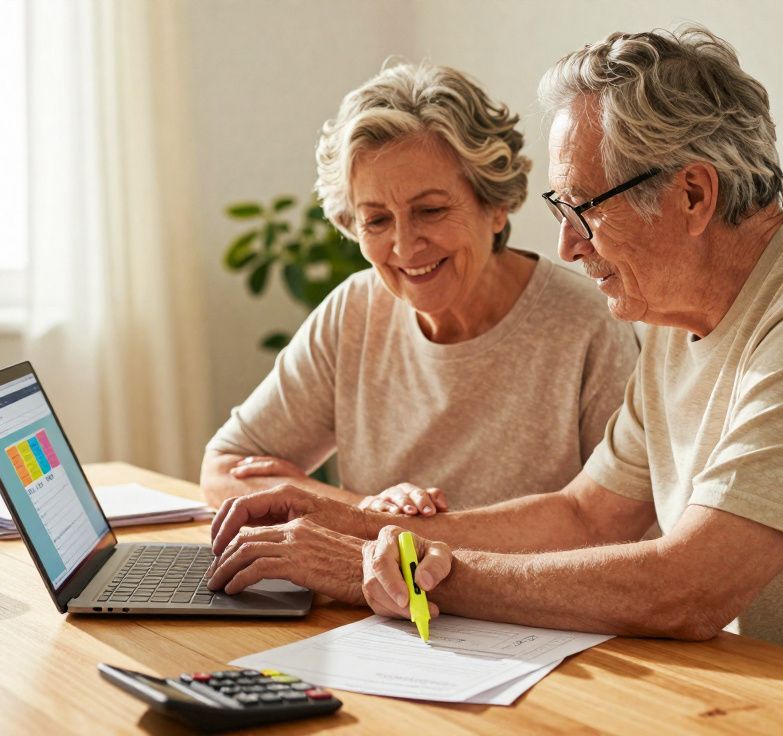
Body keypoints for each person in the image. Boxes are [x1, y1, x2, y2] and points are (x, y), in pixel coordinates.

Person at [204, 27, 783, 710]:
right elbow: (589, 517)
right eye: (561, 211)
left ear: (694, 197)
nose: (564, 244)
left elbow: (690, 587)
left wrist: (408, 573)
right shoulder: (675, 308)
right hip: (775, 699)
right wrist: (358, 529)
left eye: (582, 209)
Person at [201, 63, 637, 521]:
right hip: (372, 593)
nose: (405, 246)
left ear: (496, 205)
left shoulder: (588, 327)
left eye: (430, 210)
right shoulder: (355, 311)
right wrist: (368, 511)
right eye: (376, 220)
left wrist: (393, 530)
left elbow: (614, 530)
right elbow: (225, 468)